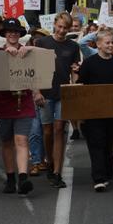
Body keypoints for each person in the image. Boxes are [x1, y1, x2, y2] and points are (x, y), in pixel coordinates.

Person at [77, 29, 113, 191]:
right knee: (96, 144)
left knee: (108, 144)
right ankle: (98, 178)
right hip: (94, 112)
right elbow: (82, 85)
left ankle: (108, 168)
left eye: (112, 43)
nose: (110, 45)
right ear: (98, 44)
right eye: (107, 43)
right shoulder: (89, 63)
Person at [32, 13, 81, 189]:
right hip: (45, 93)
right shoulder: (43, 43)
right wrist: (36, 91)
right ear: (54, 24)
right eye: (59, 26)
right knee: (47, 130)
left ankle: (57, 172)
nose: (61, 31)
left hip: (63, 93)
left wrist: (75, 85)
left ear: (69, 29)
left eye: (65, 28)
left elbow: (74, 70)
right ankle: (50, 160)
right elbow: (34, 69)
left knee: (59, 129)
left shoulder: (73, 46)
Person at [0, 20, 39, 196]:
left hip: (24, 102)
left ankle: (22, 177)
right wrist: (5, 56)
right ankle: (10, 177)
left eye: (16, 31)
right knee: (6, 142)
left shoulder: (29, 52)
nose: (12, 34)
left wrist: (37, 92)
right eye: (9, 31)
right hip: (4, 103)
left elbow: (39, 69)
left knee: (21, 140)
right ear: (4, 34)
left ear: (20, 34)